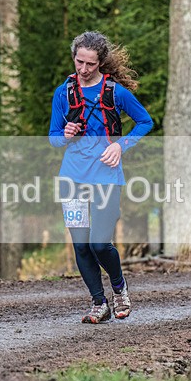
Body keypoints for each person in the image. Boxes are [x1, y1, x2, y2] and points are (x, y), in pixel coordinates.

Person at [49, 31, 153, 323]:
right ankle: (99, 303)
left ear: (100, 63)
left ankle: (119, 289)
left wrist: (122, 145)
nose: (83, 69)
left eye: (90, 64)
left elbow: (146, 122)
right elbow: (54, 138)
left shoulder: (116, 92)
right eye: (79, 61)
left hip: (107, 178)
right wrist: (65, 134)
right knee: (80, 245)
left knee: (99, 244)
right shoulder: (63, 92)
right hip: (71, 179)